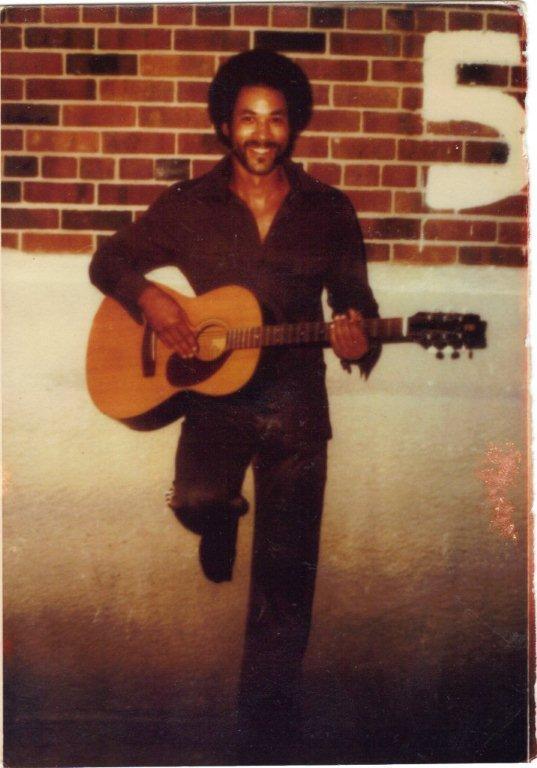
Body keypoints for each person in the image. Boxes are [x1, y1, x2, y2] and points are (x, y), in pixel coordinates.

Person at [89, 48, 380, 748]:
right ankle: (218, 519)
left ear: (294, 125)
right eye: (247, 118)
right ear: (224, 124)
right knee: (194, 498)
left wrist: (357, 340)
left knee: (285, 580)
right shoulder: (188, 204)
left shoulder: (328, 209)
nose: (261, 133)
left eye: (275, 119)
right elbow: (108, 260)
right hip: (215, 400)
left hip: (296, 404)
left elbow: (357, 304)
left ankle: (266, 730)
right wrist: (149, 297)